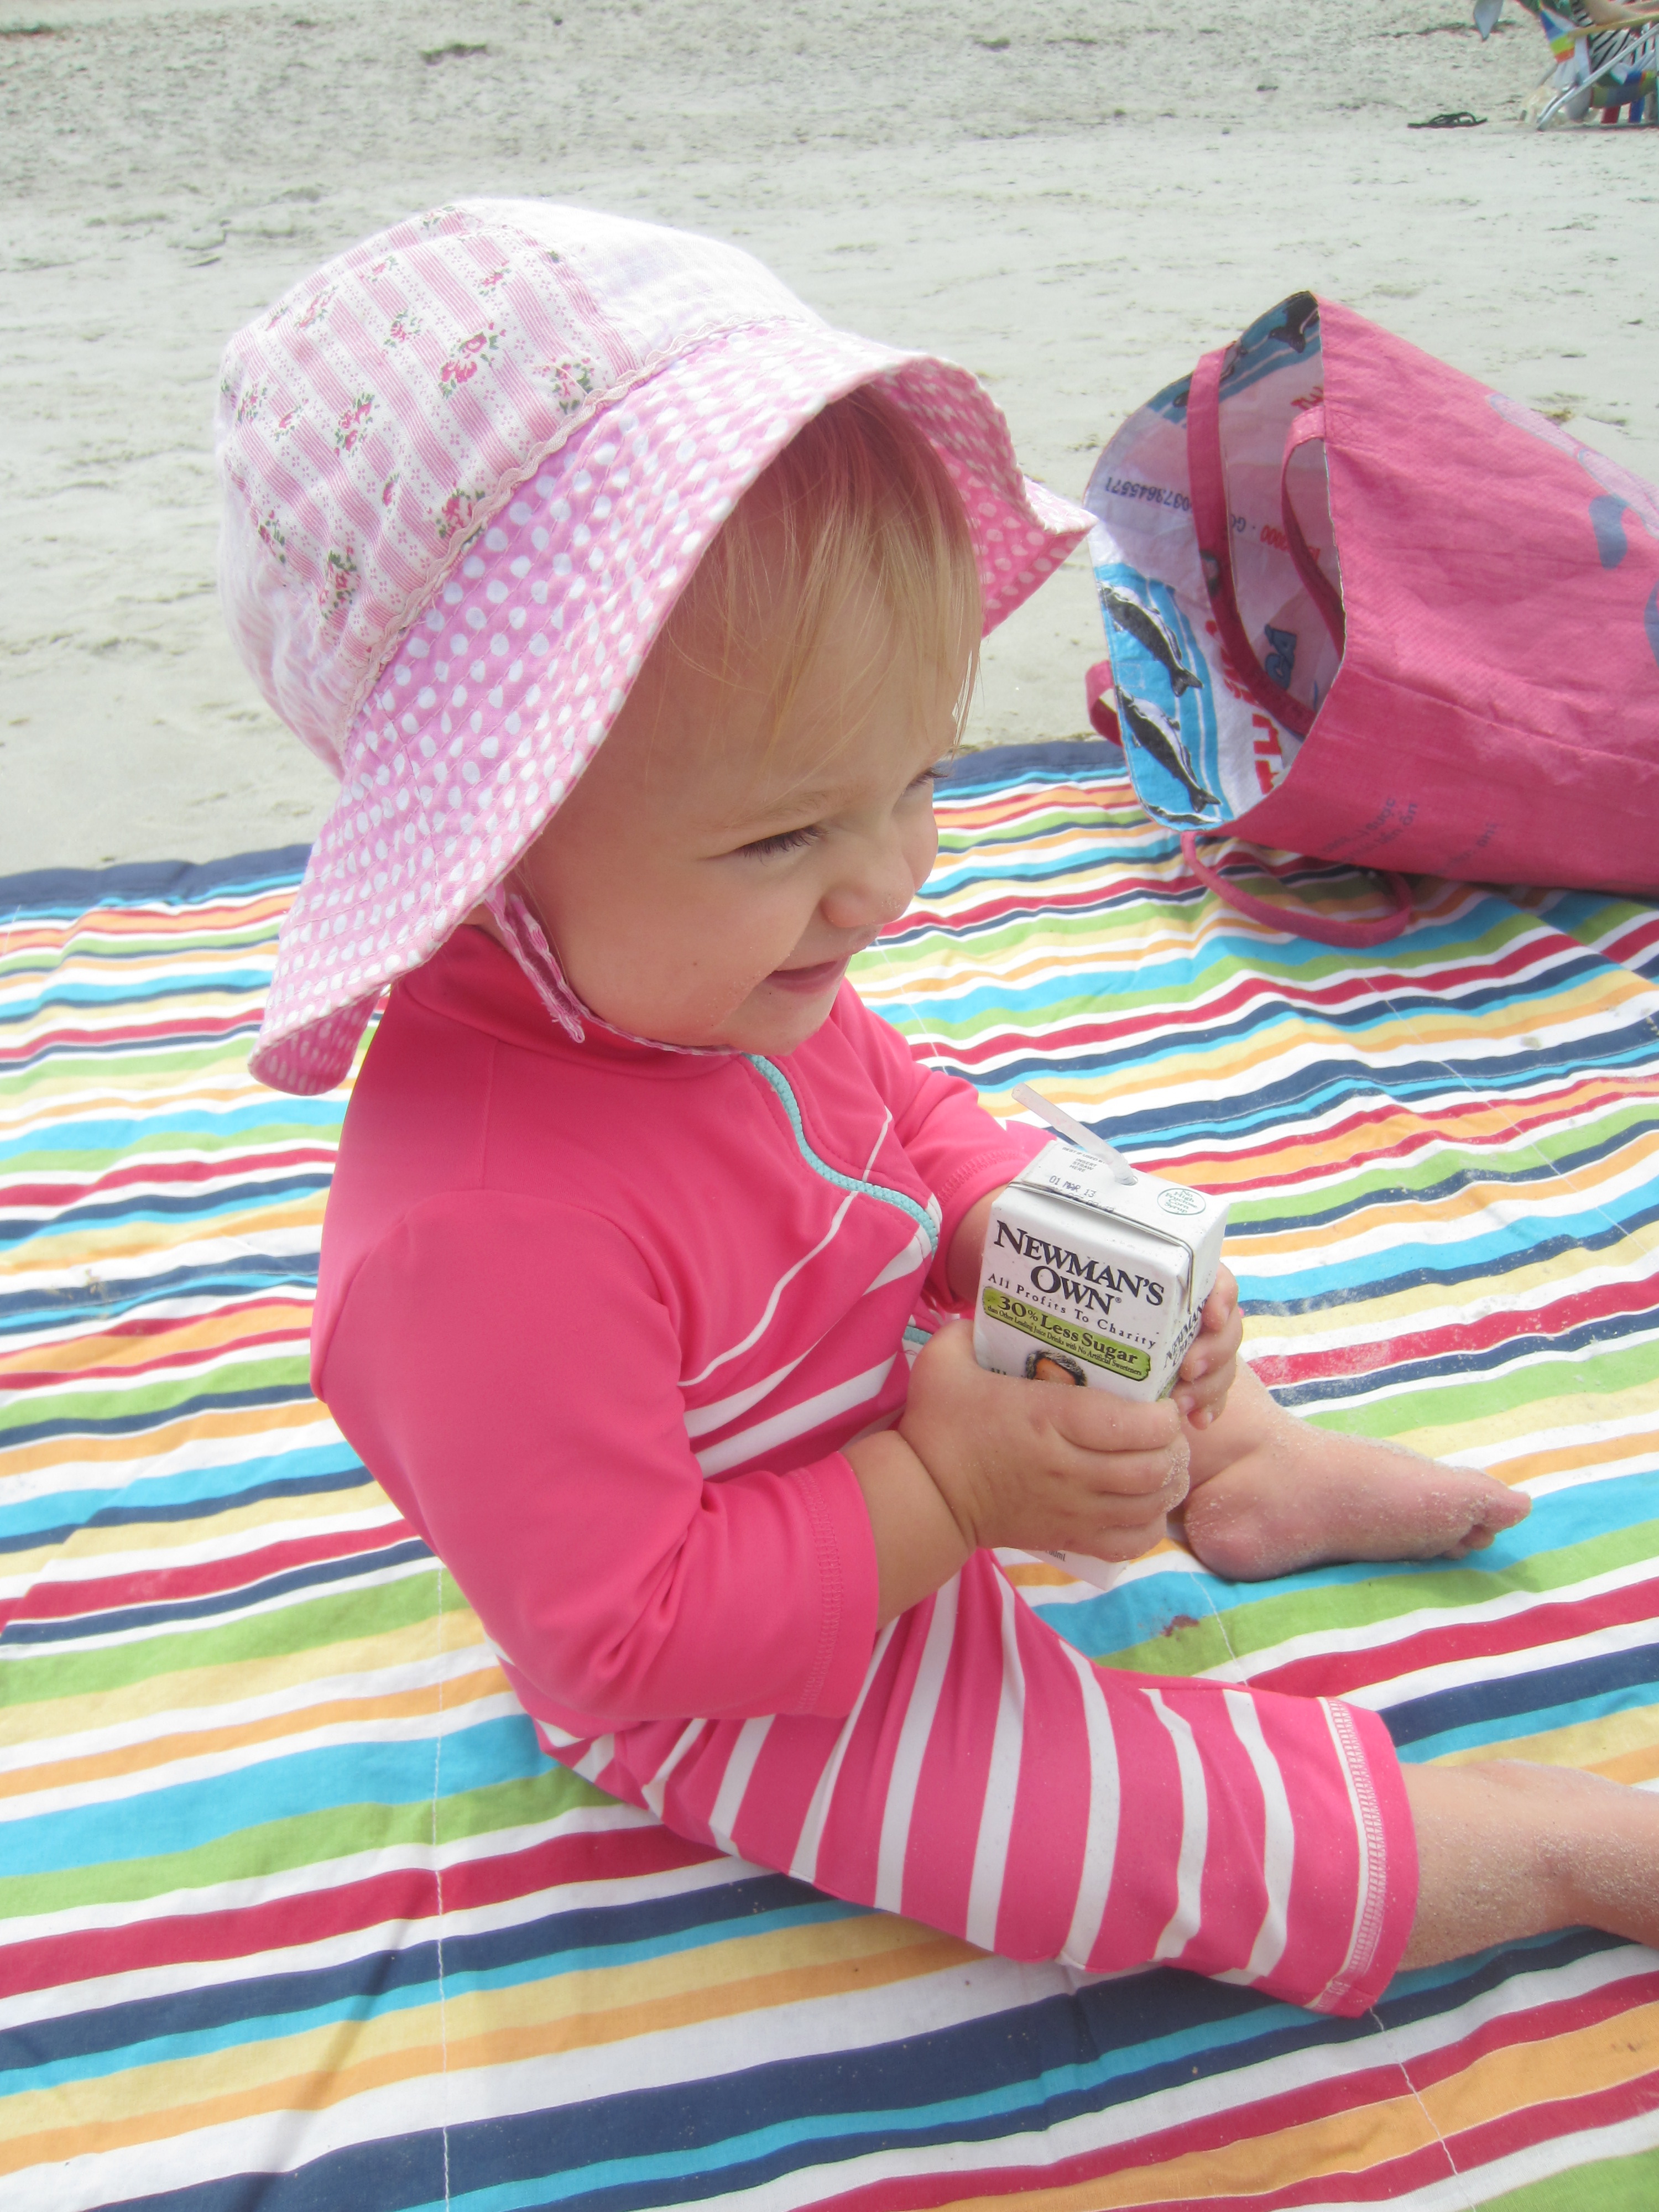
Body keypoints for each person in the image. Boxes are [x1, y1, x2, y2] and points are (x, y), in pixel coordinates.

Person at [217, 199, 1659, 2020]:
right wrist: (947, 1484)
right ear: (486, 843)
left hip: (893, 1399)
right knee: (1097, 1845)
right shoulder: (475, 1239)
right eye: (787, 834)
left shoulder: (698, 961)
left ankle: (1248, 1469)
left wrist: (1023, 1244)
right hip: (751, 1659)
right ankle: (1543, 1843)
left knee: (1101, 1244)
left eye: (916, 780)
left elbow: (906, 1120)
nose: (892, 879)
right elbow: (627, 1634)